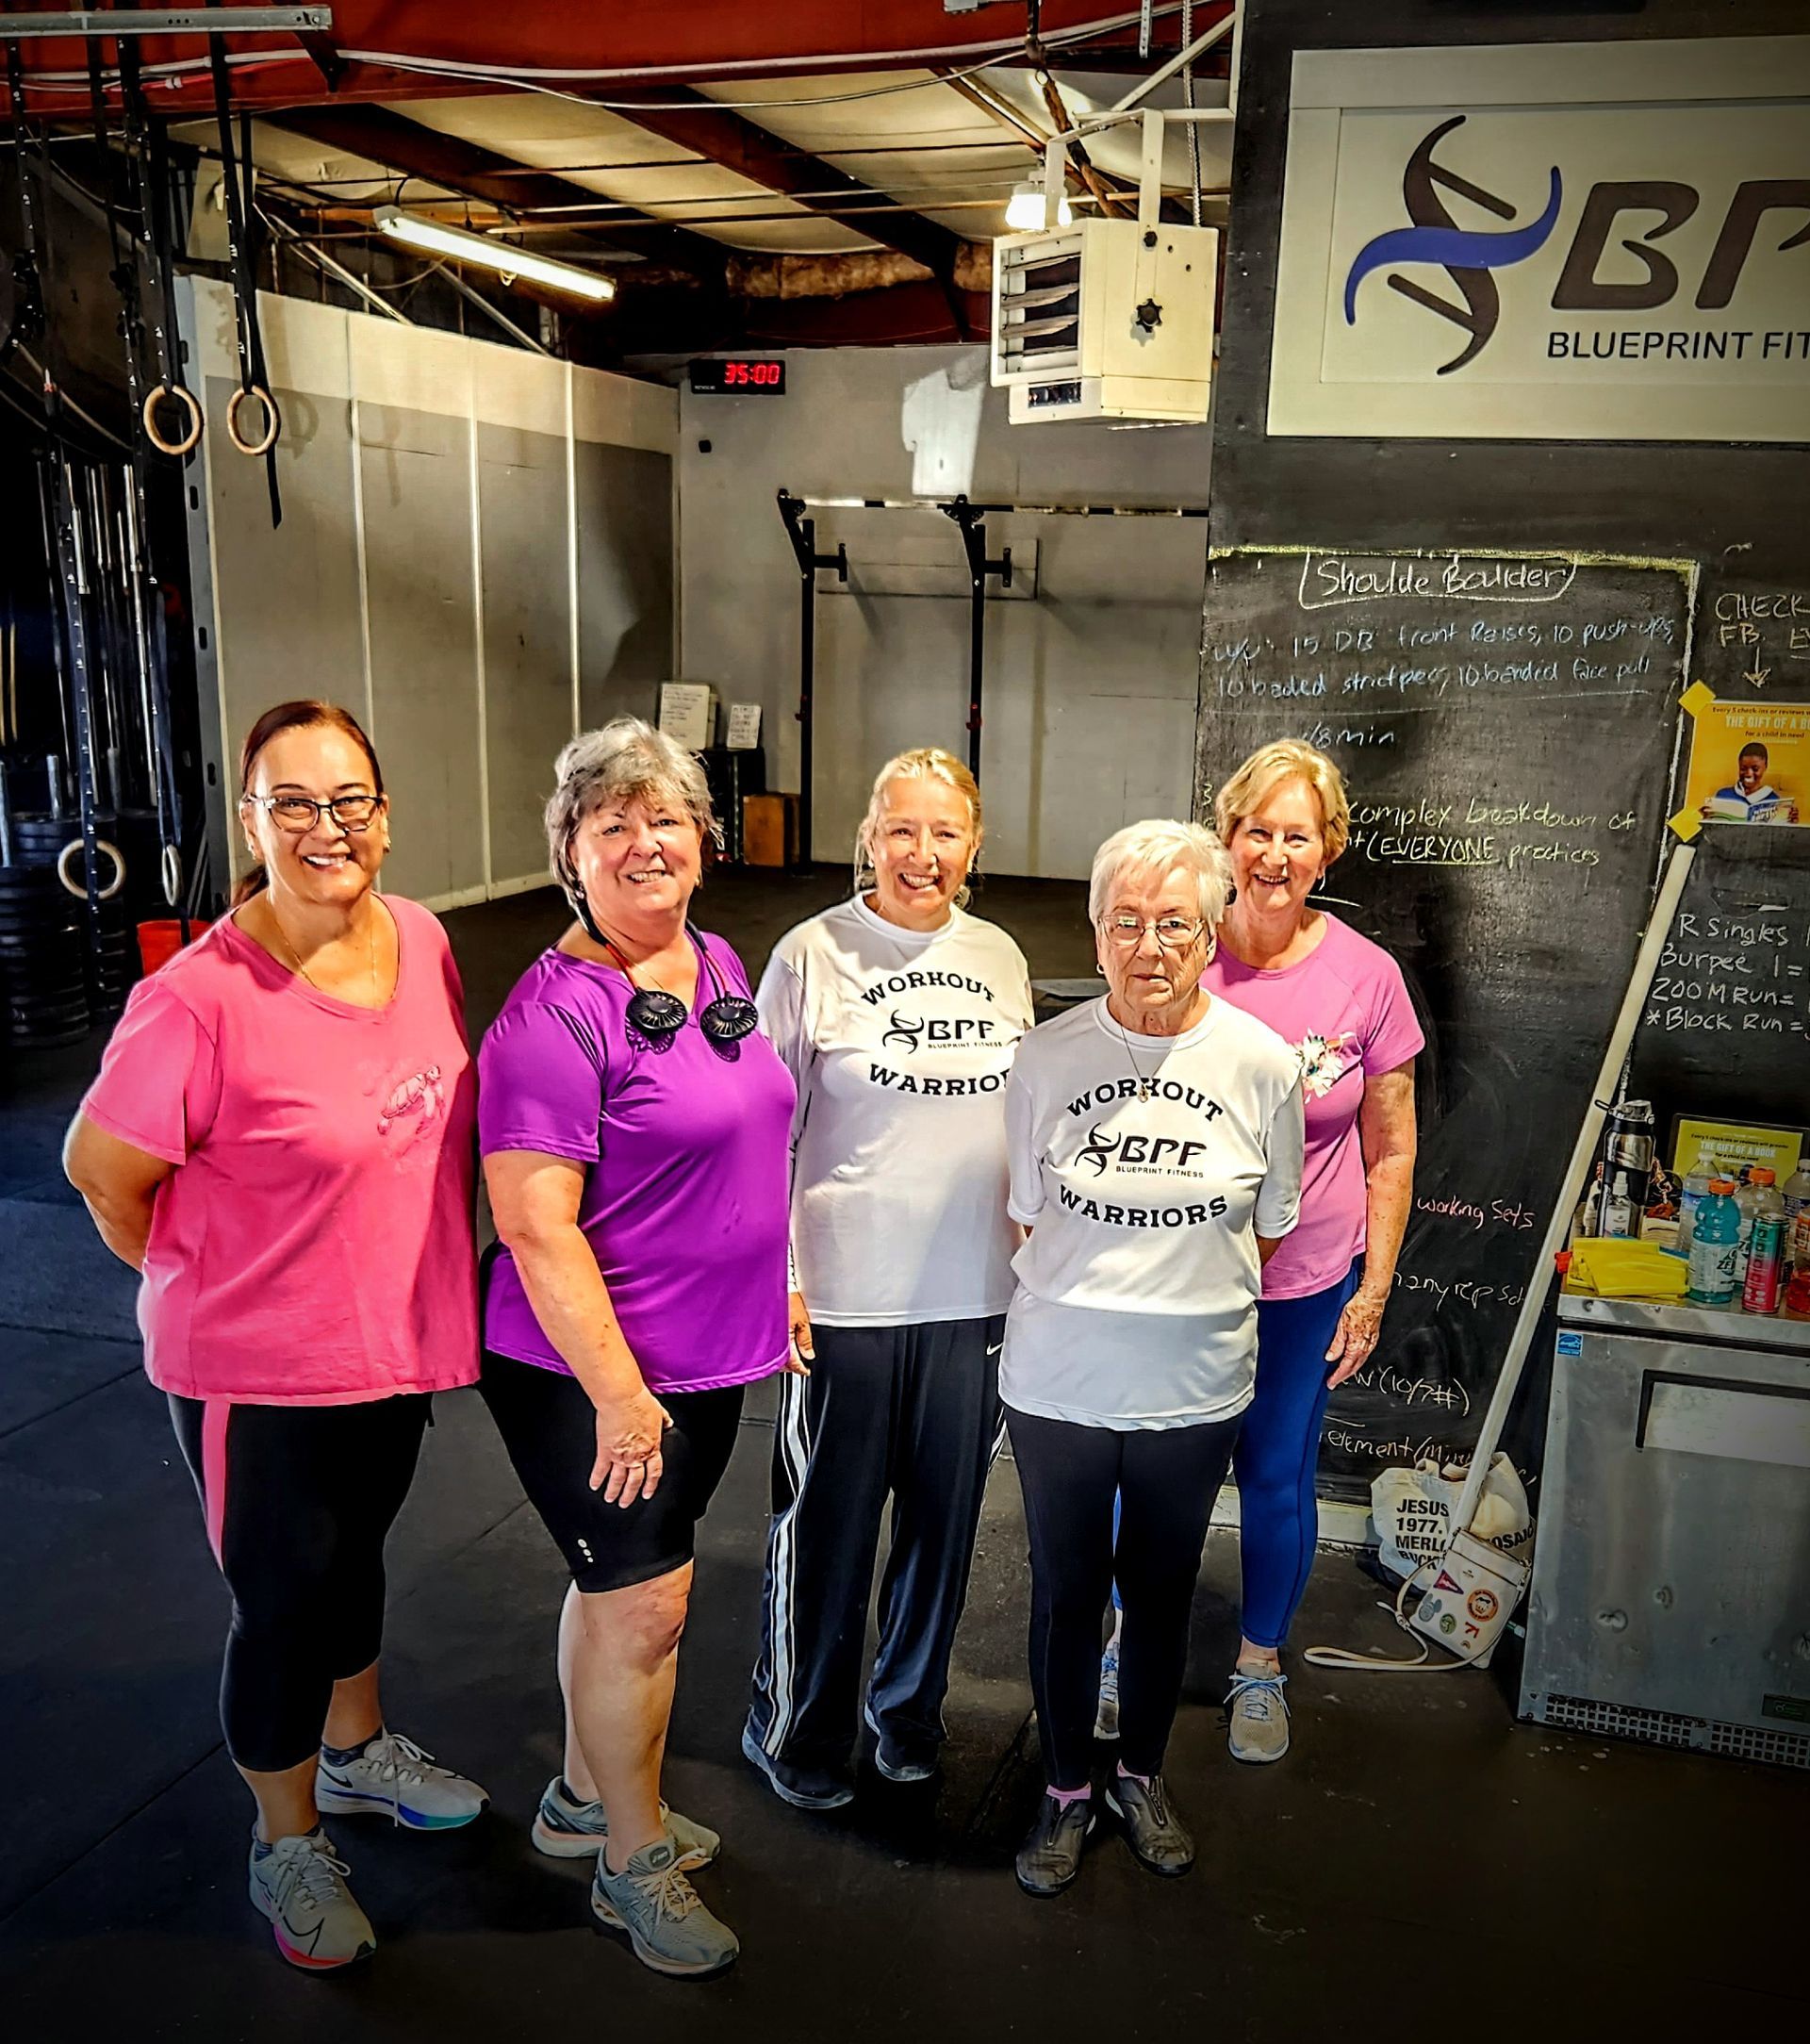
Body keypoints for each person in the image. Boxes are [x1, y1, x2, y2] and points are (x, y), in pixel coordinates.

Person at [63, 701, 486, 1973]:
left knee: (354, 1567)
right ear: (251, 823)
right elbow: (102, 1174)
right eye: (290, 804)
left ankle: (356, 1757)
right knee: (286, 1605)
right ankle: (285, 1837)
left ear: (385, 817)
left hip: (394, 1349)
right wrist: (224, 1292)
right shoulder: (195, 1003)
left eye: (347, 801)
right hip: (260, 1374)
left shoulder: (422, 939)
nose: (324, 827)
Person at [478, 717, 796, 1979]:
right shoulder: (551, 1019)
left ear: (702, 846)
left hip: (707, 1357)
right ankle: (628, 1859)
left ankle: (575, 1796)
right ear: (572, 854)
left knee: (619, 1599)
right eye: (613, 826)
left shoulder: (713, 961)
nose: (645, 843)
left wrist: (776, 1283)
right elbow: (533, 1226)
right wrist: (618, 1393)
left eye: (665, 821)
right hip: (593, 1373)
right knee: (650, 1605)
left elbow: (742, 1139)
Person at [1003, 819, 1304, 1898]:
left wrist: (1176, 1295)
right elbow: (1028, 1220)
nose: (1149, 943)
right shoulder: (1045, 1056)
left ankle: (1140, 1773)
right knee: (1067, 1590)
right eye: (1126, 920)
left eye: (1174, 921)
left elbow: (1266, 1225)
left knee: (1165, 1590)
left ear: (1212, 930)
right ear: (1095, 933)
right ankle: (1067, 1789)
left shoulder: (1264, 1064)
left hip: (1194, 1384)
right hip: (1061, 1383)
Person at [742, 749, 1034, 1809]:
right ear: (868, 836)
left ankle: (905, 1714)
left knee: (943, 1532)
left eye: (944, 832)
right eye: (901, 830)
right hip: (844, 1300)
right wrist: (775, 1276)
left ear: (974, 845)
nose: (923, 853)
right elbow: (755, 1133)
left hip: (972, 1298)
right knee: (825, 1530)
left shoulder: (999, 955)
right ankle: (796, 1726)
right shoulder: (811, 954)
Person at [1171, 738, 1421, 1764]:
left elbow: (1393, 1143)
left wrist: (1374, 1289)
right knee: (1160, 1478)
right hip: (1175, 1276)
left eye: (1297, 834)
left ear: (1329, 851)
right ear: (1226, 838)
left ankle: (1260, 1663)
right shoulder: (1179, 947)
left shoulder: (1367, 979)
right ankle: (1125, 1646)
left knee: (1276, 1471)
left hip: (1304, 1283)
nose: (1274, 853)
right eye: (1257, 830)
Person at [1702, 742, 1797, 823]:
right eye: (1743, 769)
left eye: (1755, 769)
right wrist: (1706, 819)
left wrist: (1789, 822)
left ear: (1765, 767)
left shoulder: (1773, 800)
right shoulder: (1723, 795)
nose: (1748, 774)